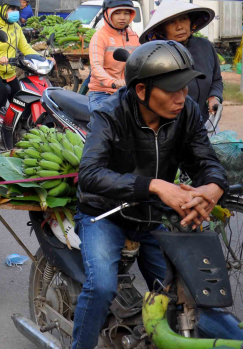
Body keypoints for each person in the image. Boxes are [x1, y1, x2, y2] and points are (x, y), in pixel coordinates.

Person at [72, 39, 231, 349]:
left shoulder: (186, 113)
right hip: (105, 215)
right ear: (141, 91)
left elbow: (206, 162)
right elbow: (89, 175)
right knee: (102, 287)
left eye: (185, 88)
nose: (182, 97)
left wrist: (212, 188)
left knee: (187, 291)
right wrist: (155, 185)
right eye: (172, 90)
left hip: (151, 217)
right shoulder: (110, 114)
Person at [139, 0, 222, 122]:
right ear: (162, 29)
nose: (179, 27)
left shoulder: (205, 46)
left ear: (191, 22)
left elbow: (216, 79)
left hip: (207, 120)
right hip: (173, 124)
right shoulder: (158, 54)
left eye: (183, 19)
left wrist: (214, 97)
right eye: (171, 22)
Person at [0, 0, 43, 146]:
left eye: (16, 8)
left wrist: (42, 58)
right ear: (0, 9)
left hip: (10, 73)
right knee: (1, 92)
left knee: (21, 98)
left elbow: (25, 48)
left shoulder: (16, 27)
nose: (14, 11)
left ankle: (15, 128)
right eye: (10, 8)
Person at [87, 0, 141, 113]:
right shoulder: (100, 37)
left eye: (126, 13)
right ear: (107, 14)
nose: (122, 17)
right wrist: (112, 82)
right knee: (105, 124)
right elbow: (96, 66)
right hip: (102, 93)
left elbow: (141, 60)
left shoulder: (133, 36)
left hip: (127, 91)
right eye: (117, 13)